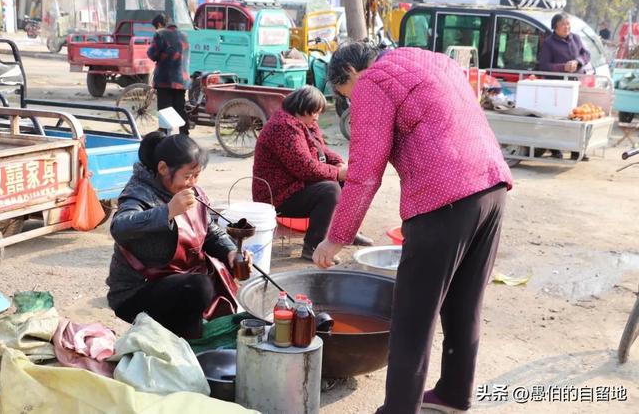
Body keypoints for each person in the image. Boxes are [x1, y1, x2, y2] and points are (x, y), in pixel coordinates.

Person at [313, 42, 513, 414]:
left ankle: (399, 409)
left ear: (352, 75)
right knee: (464, 303)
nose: (352, 103)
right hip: (492, 188)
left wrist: (334, 239)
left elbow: (363, 175)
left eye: (347, 96)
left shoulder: (373, 81)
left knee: (412, 316)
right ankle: (454, 395)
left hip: (443, 199)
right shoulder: (434, 59)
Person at [106, 132, 252, 339]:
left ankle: (184, 338)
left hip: (179, 278)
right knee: (198, 287)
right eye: (187, 176)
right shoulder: (139, 192)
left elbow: (209, 230)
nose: (192, 183)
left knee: (218, 277)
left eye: (196, 175)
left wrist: (229, 252)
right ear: (163, 168)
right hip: (138, 291)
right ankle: (182, 342)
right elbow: (119, 226)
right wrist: (167, 211)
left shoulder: (193, 193)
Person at [252, 85, 373, 262]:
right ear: (302, 108)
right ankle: (314, 247)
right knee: (330, 190)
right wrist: (339, 173)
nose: (317, 117)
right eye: (314, 112)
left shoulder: (307, 123)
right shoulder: (282, 127)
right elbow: (305, 167)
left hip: (297, 185)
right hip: (277, 195)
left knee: (349, 181)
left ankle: (345, 233)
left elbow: (321, 149)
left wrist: (339, 163)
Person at [538, 12, 591, 160]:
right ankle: (555, 149)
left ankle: (577, 151)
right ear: (555, 27)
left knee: (577, 117)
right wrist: (564, 67)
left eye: (568, 24)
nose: (567, 27)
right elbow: (544, 66)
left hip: (576, 83)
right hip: (558, 87)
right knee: (559, 118)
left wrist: (578, 61)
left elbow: (586, 54)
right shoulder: (549, 43)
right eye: (563, 24)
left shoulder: (576, 38)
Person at [147, 13, 191, 135]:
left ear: (159, 24)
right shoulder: (184, 35)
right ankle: (184, 135)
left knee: (165, 110)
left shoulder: (160, 34)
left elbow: (152, 54)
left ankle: (165, 136)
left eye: (156, 26)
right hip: (182, 79)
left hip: (165, 79)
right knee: (180, 108)